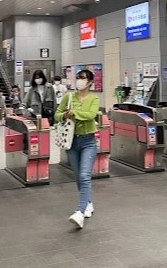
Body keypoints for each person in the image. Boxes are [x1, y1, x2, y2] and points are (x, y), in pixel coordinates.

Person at [54, 69, 100, 229]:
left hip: (88, 142)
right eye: (78, 77)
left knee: (84, 175)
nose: (79, 80)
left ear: (90, 82)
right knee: (79, 176)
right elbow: (57, 115)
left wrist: (74, 113)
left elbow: (90, 115)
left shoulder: (94, 98)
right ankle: (88, 203)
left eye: (83, 78)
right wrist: (64, 116)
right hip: (71, 142)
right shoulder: (69, 97)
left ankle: (80, 212)